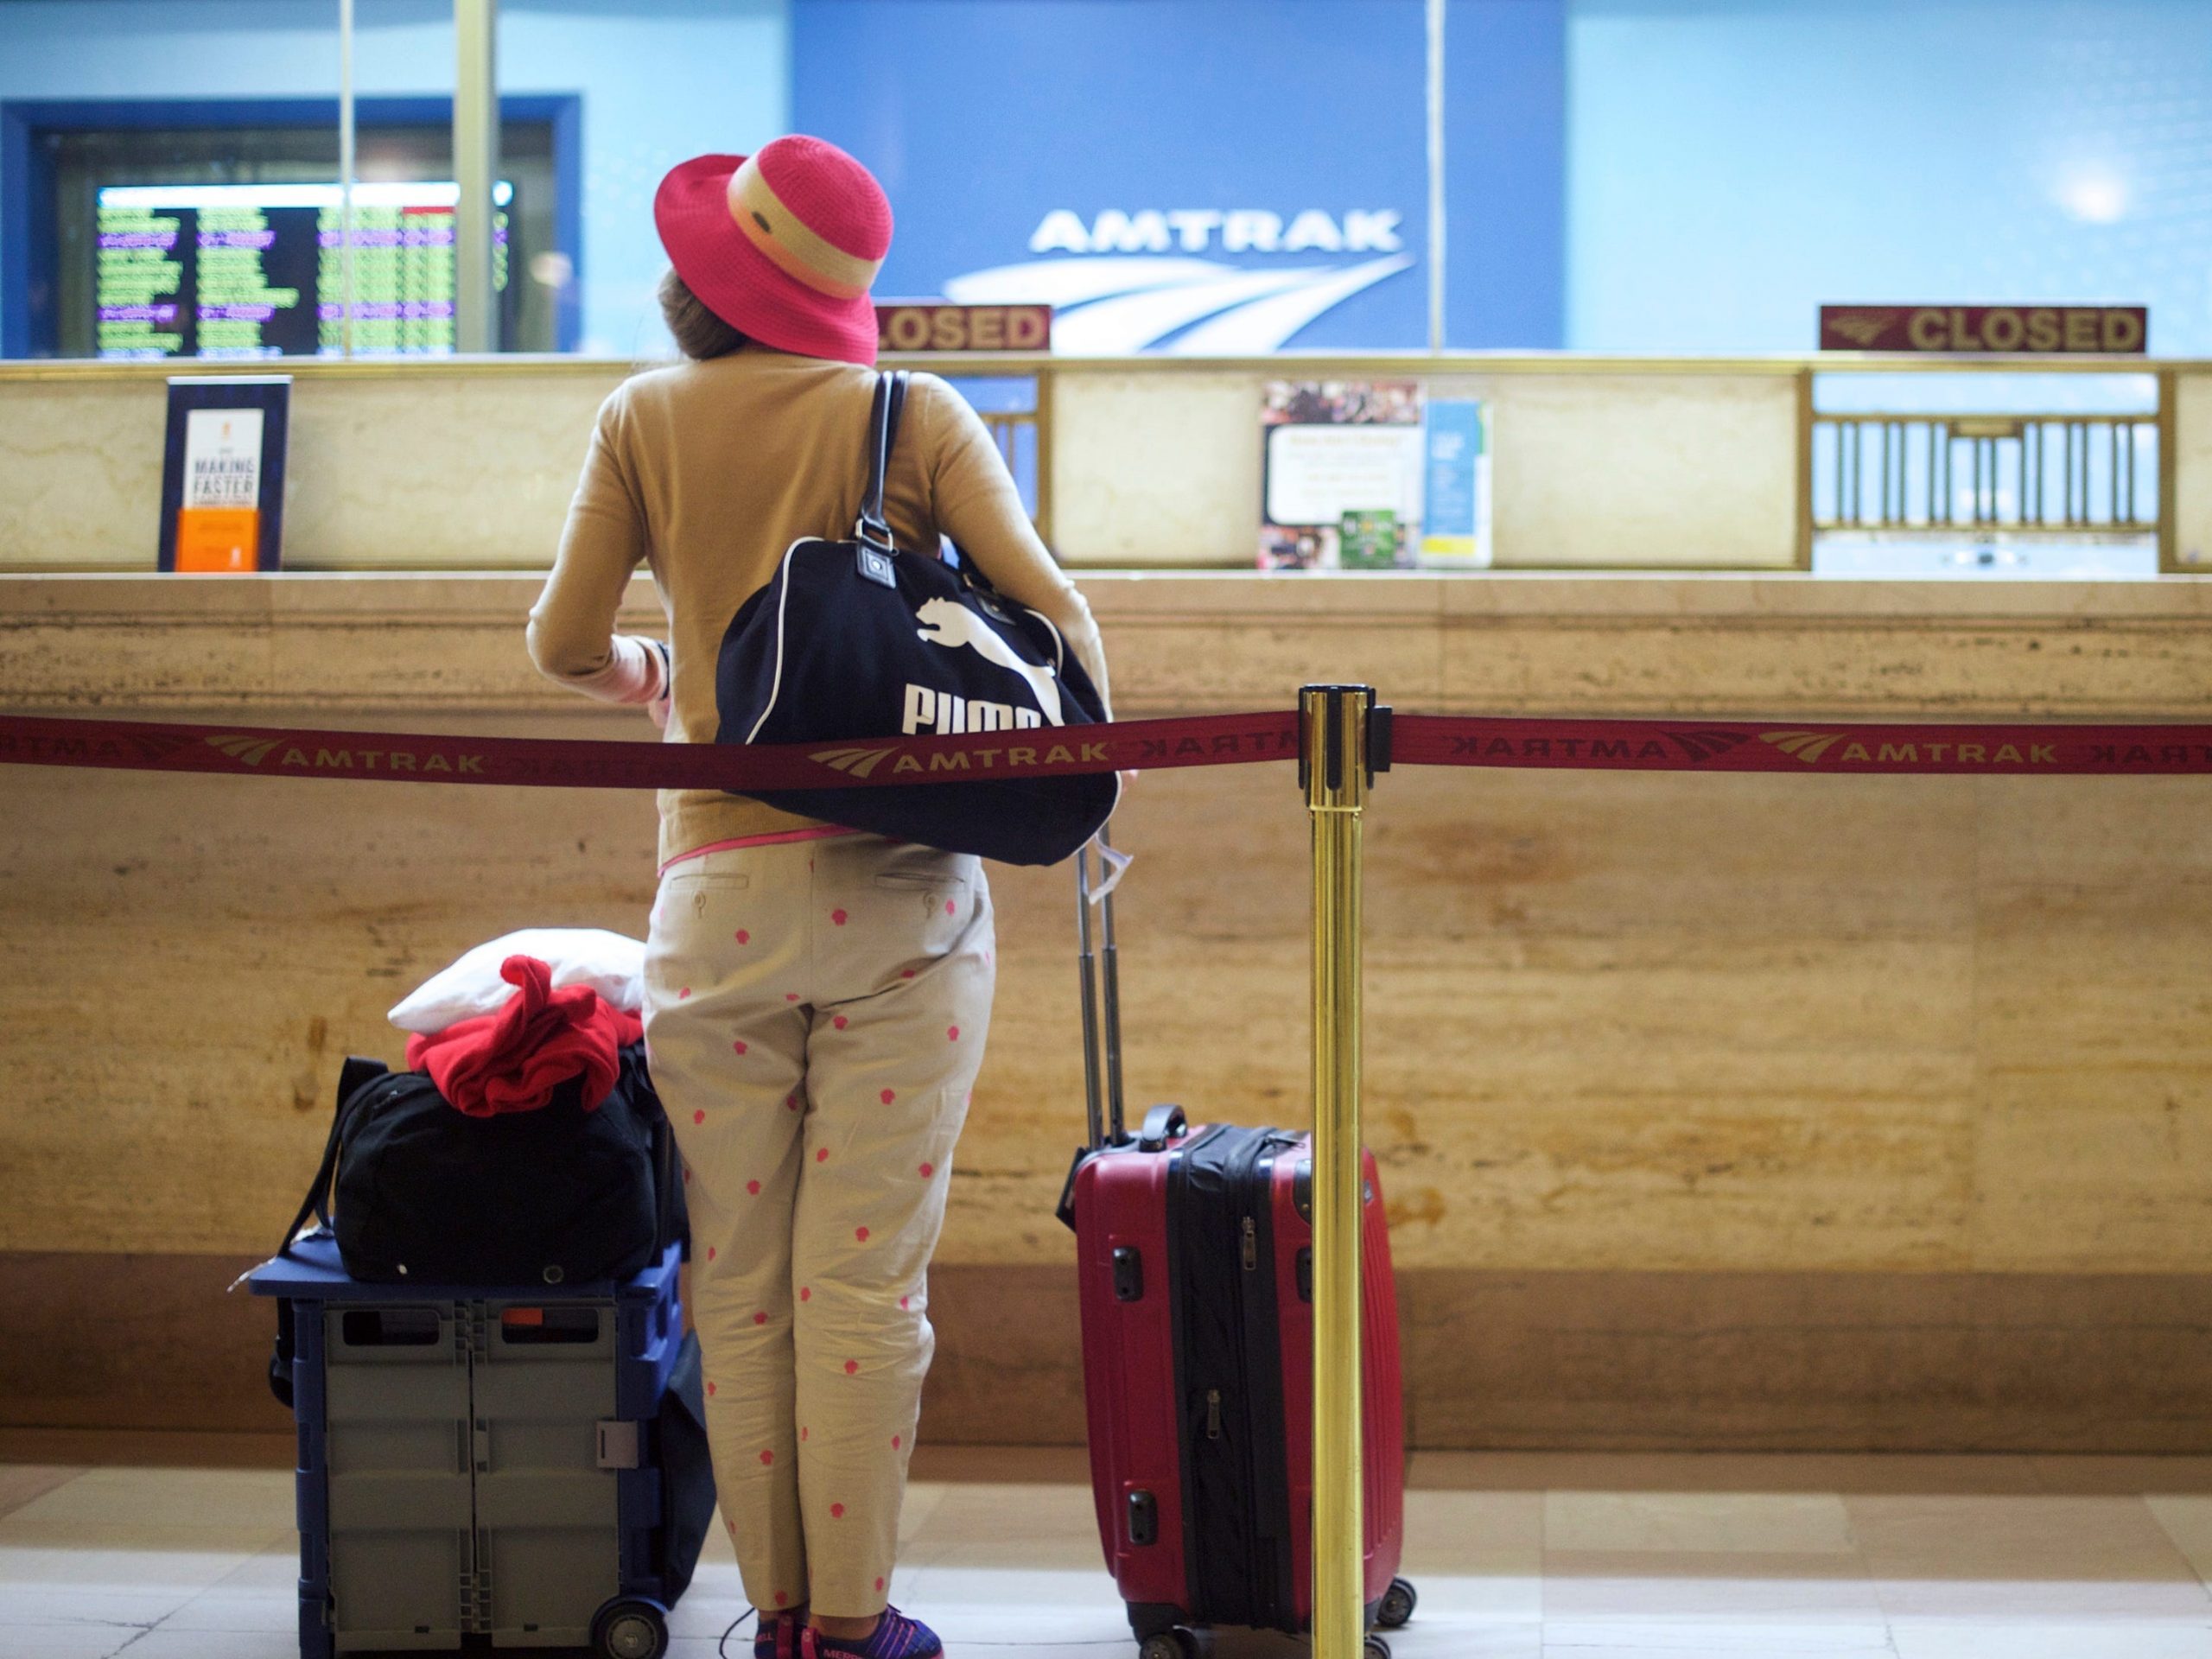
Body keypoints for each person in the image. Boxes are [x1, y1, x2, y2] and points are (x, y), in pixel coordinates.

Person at [526, 135, 1111, 1659]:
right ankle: (851, 1629)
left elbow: (562, 642)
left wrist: (659, 674)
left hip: (712, 903)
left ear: (699, 276)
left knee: (738, 1276)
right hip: (904, 903)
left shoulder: (642, 415)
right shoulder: (913, 416)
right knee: (864, 1286)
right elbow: (1060, 623)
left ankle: (773, 1611)